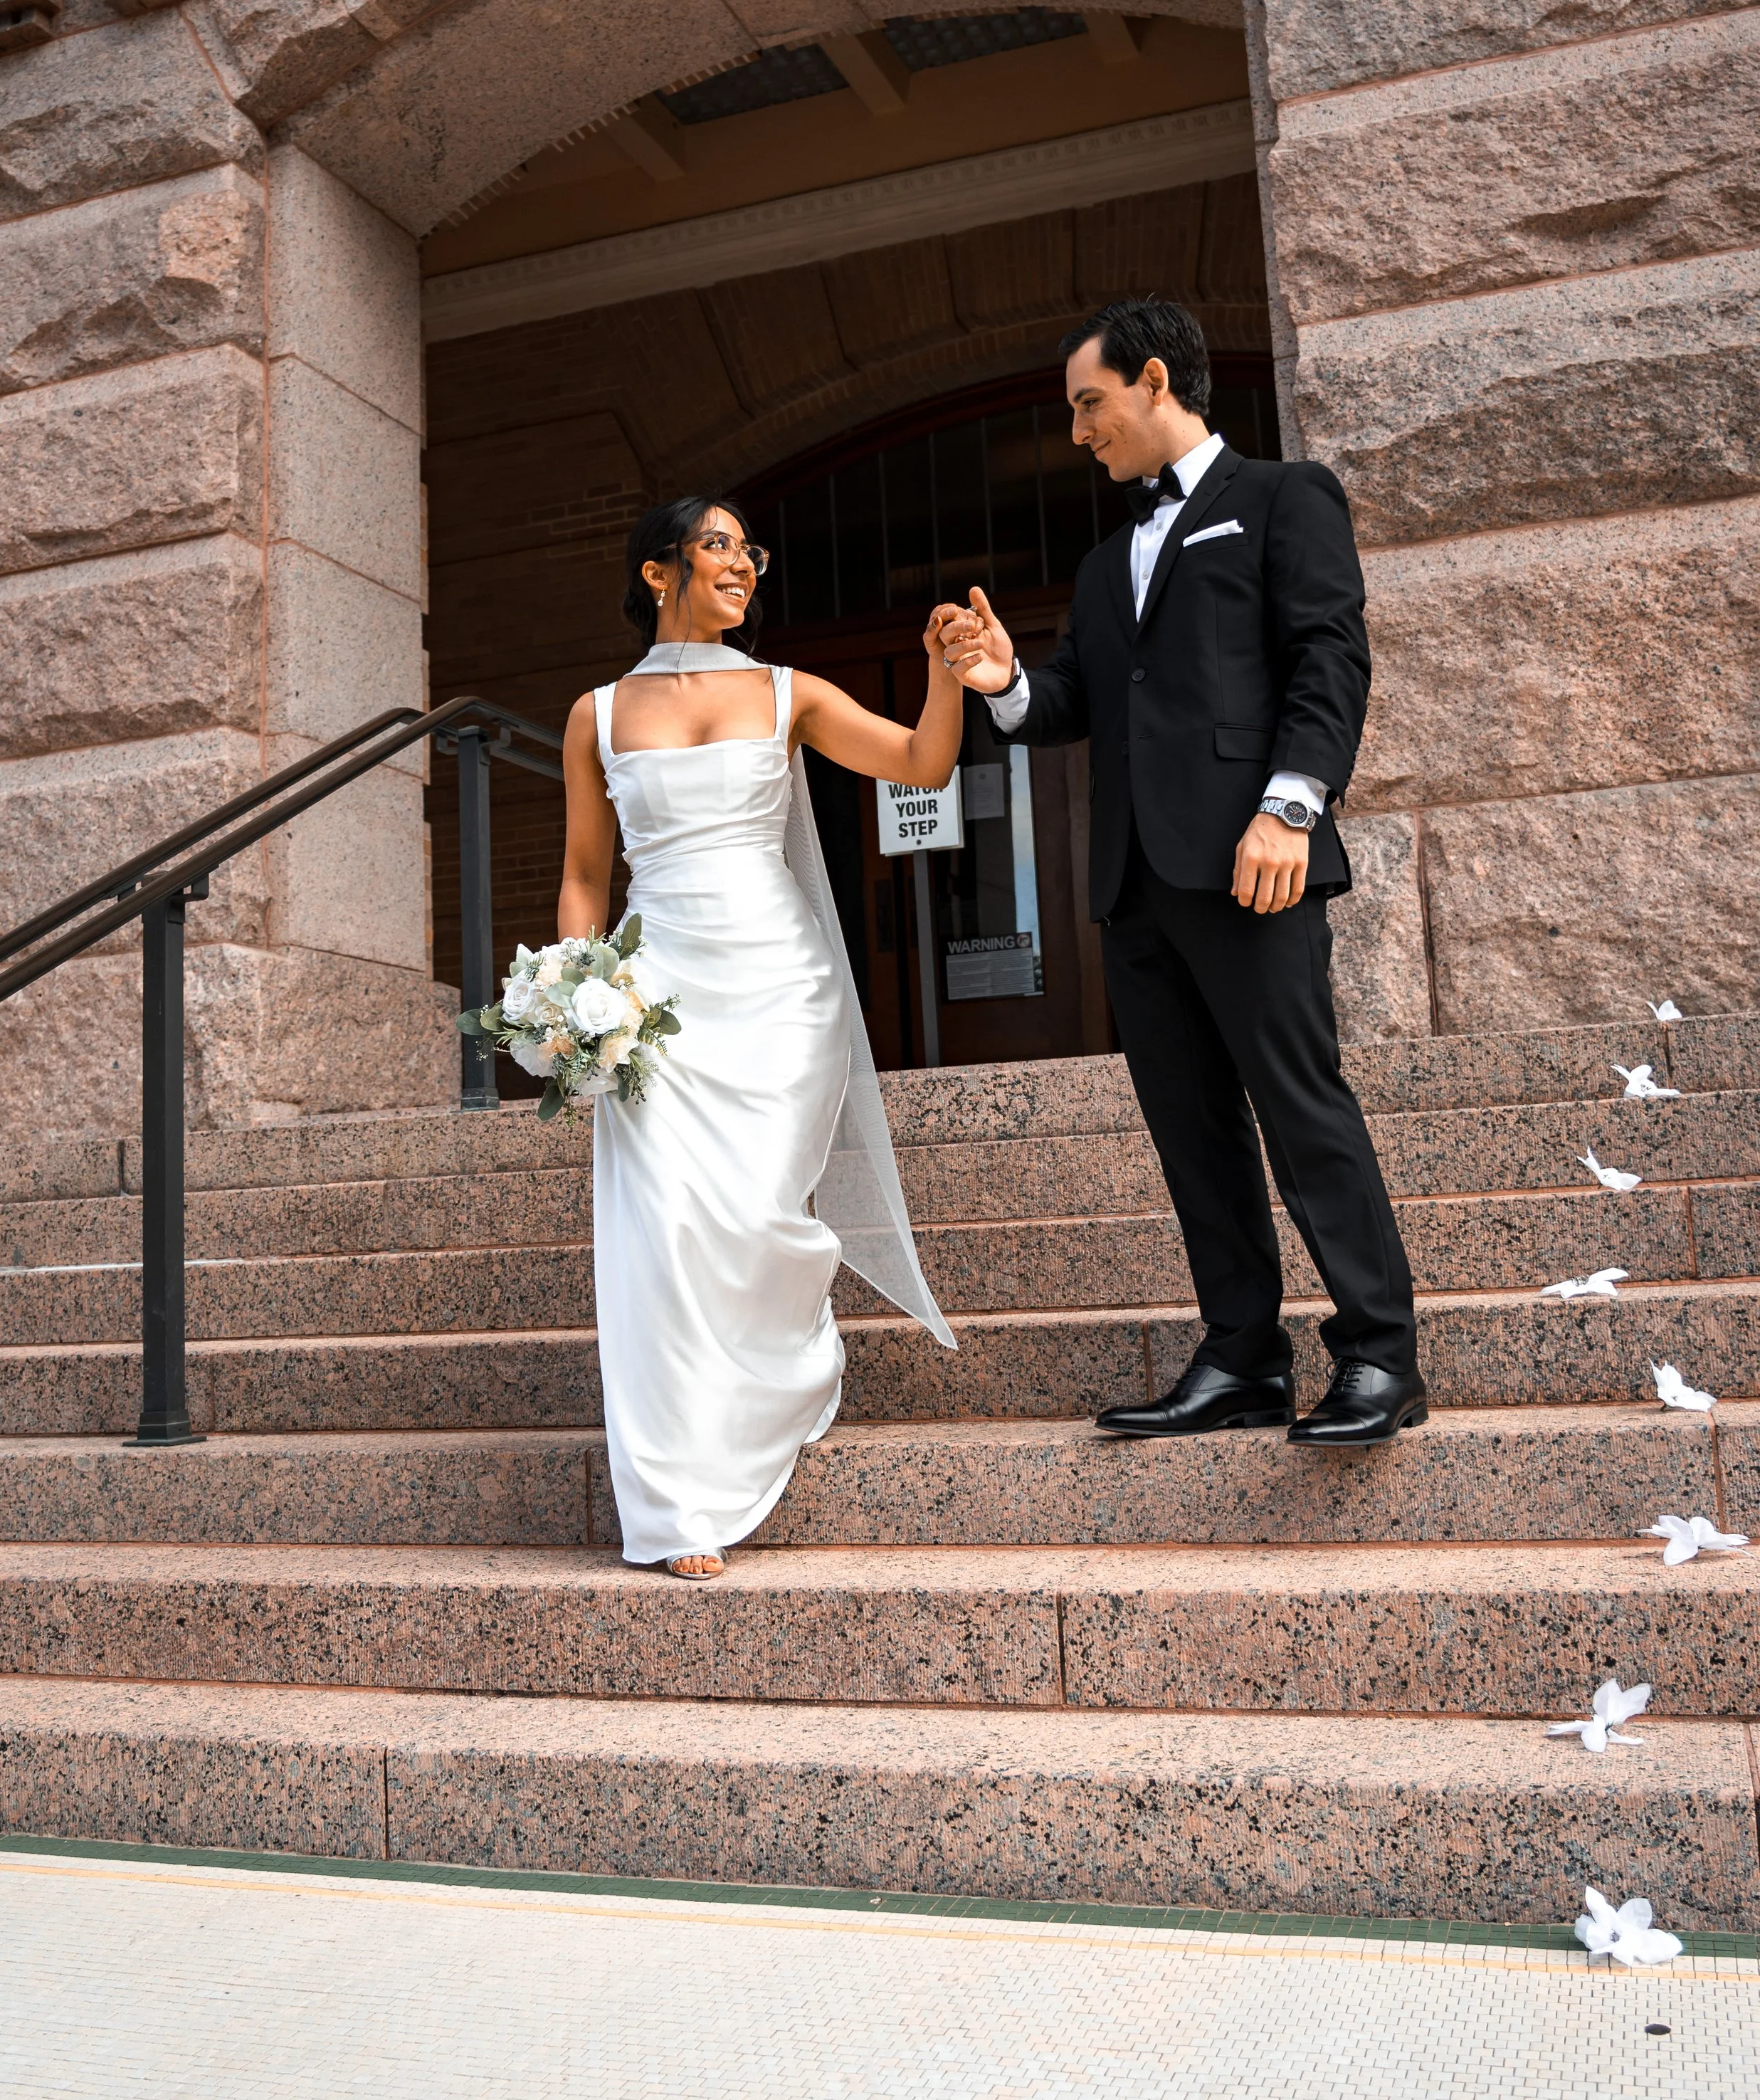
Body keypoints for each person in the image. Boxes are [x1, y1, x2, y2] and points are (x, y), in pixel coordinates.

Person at [939, 297, 1423, 1447]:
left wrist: (1290, 810)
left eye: (1088, 405)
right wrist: (1004, 677)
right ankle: (1244, 1357)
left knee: (1301, 1107)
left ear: (1156, 380)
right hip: (1138, 891)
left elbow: (1329, 654)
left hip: (1254, 863)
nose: (1077, 432)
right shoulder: (1107, 564)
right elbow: (1070, 704)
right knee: (1192, 1131)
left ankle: (1379, 1353)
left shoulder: (1280, 498)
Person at [559, 496, 959, 1578]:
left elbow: (921, 764)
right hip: (654, 994)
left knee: (754, 1211)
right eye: (722, 545)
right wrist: (573, 995)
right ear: (659, 571)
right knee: (665, 1232)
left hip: (782, 988)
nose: (745, 566)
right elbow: (587, 877)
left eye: (752, 551)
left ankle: (777, 1374)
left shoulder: (791, 693)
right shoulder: (594, 713)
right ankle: (679, 1498)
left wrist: (942, 673)